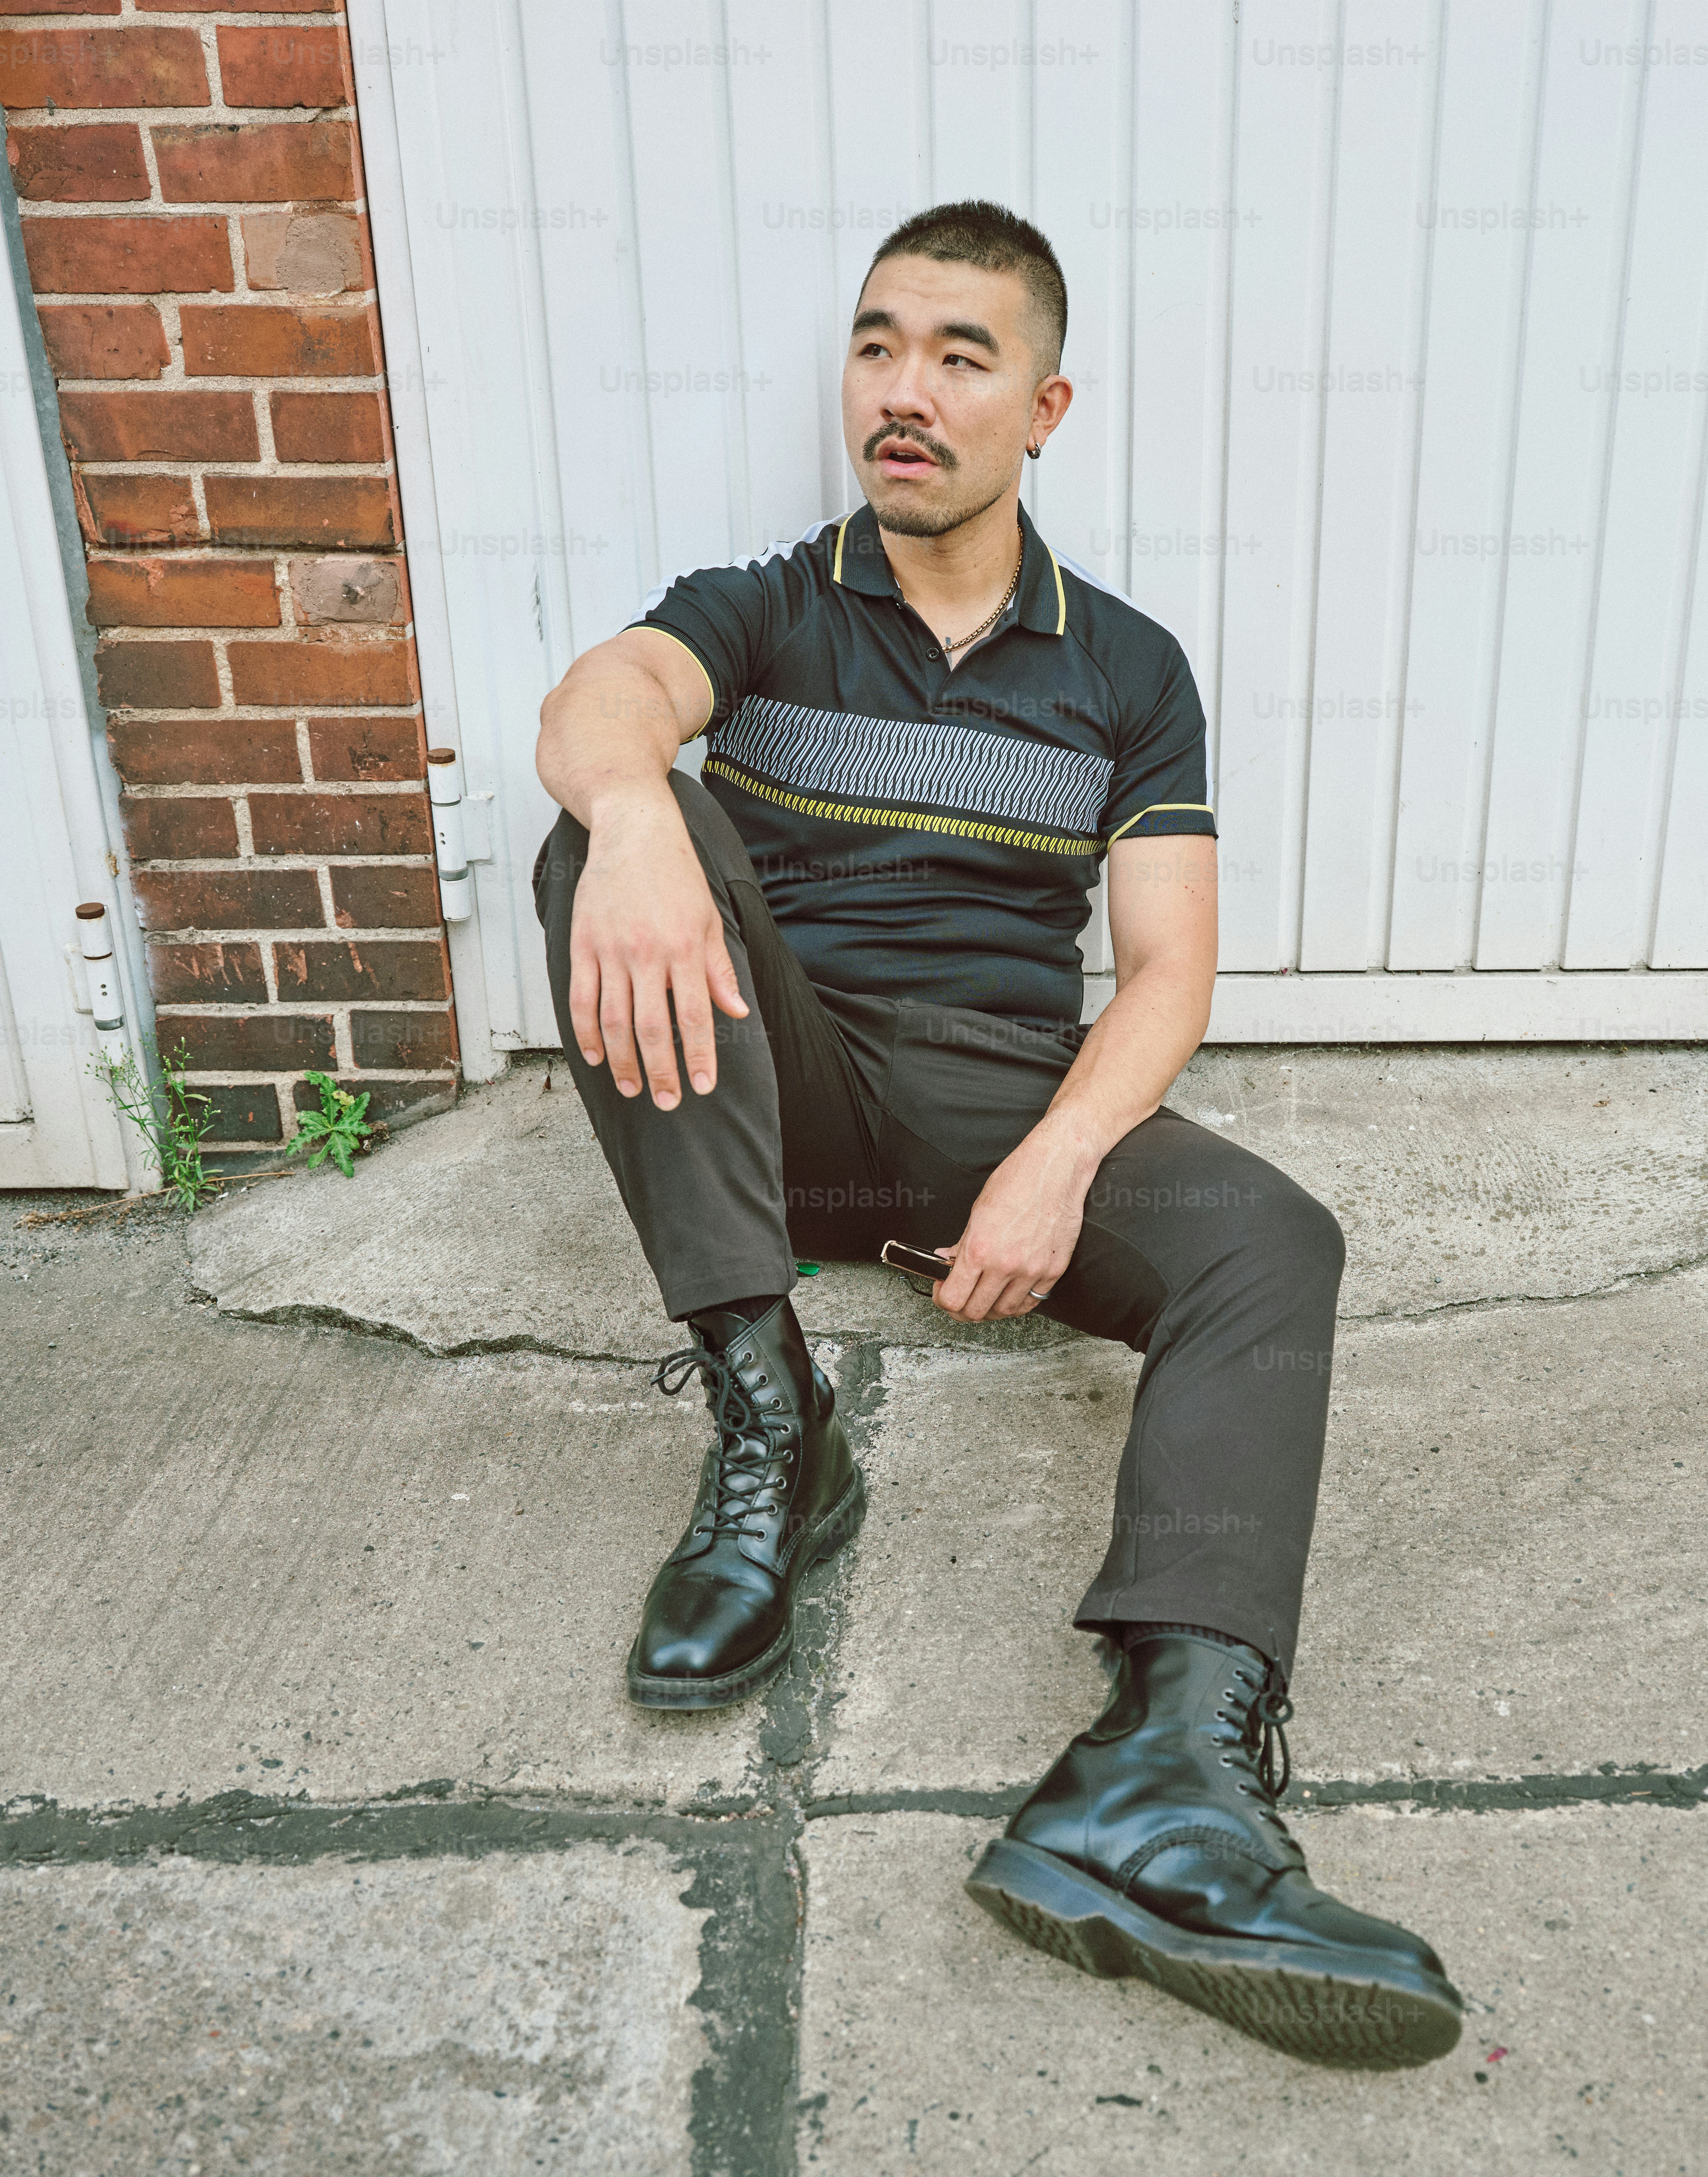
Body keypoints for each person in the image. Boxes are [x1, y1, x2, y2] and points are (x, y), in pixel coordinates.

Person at [532, 200, 1460, 2068]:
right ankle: (771, 1424)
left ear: (1045, 407)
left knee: (1276, 1240)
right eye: (879, 346)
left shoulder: (1125, 669)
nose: (906, 389)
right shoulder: (773, 605)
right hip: (777, 1078)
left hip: (996, 1097)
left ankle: (1165, 1773)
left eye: (960, 357)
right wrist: (636, 819)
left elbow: (1170, 969)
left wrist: (1054, 1161)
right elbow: (603, 703)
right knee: (600, 841)